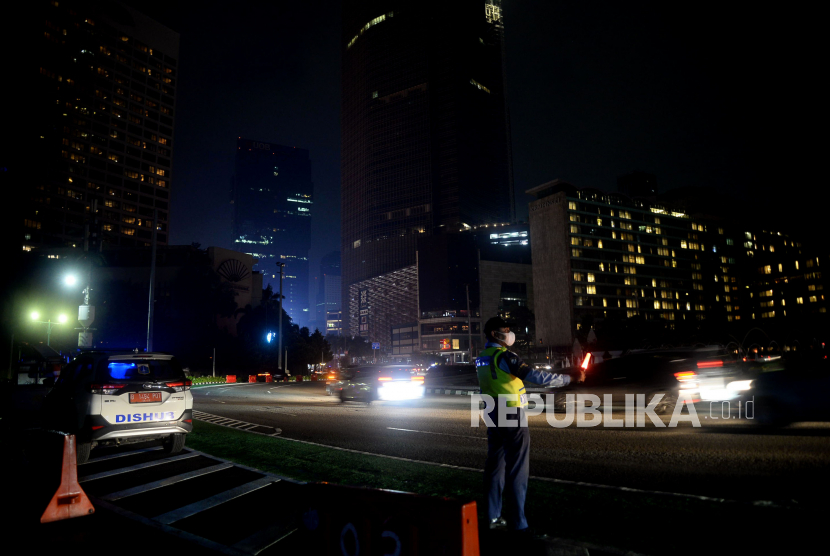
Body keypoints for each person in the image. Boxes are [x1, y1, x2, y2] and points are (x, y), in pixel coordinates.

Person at [476, 316, 584, 534]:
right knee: (517, 468)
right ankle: (519, 523)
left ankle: (492, 516)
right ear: (494, 335)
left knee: (495, 466)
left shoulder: (482, 357)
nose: (509, 333)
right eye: (505, 330)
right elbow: (533, 376)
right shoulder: (504, 356)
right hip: (510, 413)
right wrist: (567, 379)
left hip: (491, 411)